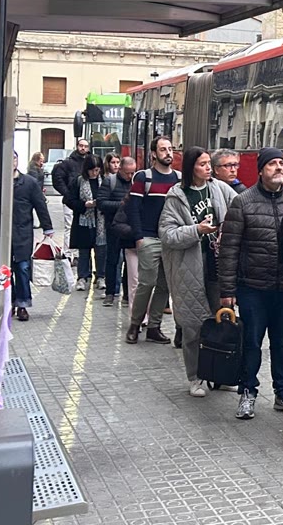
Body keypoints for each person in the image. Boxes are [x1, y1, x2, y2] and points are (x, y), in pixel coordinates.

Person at [217, 147, 283, 419]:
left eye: (281, 163)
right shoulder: (243, 202)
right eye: (272, 164)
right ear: (261, 170)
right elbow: (229, 249)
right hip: (252, 288)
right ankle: (247, 393)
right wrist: (227, 291)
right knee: (251, 343)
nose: (279, 168)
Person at [159, 147, 237, 397]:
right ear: (191, 167)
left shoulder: (219, 189)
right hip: (189, 267)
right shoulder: (177, 195)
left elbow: (240, 209)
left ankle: (221, 375)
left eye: (209, 164)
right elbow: (167, 235)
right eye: (202, 164)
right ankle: (195, 377)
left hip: (217, 264)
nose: (208, 168)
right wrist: (196, 230)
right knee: (193, 326)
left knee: (222, 320)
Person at [125, 137, 180, 345]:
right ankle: (135, 324)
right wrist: (139, 237)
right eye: (163, 149)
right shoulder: (143, 177)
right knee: (146, 283)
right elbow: (133, 209)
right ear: (154, 154)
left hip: (170, 239)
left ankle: (154, 328)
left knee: (165, 286)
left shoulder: (179, 179)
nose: (168, 153)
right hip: (149, 238)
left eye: (170, 149)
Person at [11, 151, 54, 321]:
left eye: (14, 158)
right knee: (4, 270)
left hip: (22, 233)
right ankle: (9, 301)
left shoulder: (29, 183)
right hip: (2, 234)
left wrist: (47, 227)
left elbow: (40, 205)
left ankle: (22, 304)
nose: (11, 161)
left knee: (22, 268)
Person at [98, 156, 136, 307]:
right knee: (112, 260)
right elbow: (101, 203)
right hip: (113, 227)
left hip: (129, 228)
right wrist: (122, 205)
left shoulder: (136, 182)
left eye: (133, 173)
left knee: (129, 263)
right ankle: (110, 293)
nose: (130, 176)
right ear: (120, 169)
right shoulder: (110, 181)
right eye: (127, 173)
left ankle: (127, 294)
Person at [66, 154, 106, 292]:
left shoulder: (104, 181)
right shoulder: (78, 181)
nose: (95, 173)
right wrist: (84, 205)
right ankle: (82, 277)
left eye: (97, 170)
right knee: (84, 251)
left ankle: (101, 276)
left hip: (101, 222)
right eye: (92, 170)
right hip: (83, 222)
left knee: (101, 251)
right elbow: (69, 200)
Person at [52, 139, 90, 259]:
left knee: (83, 227)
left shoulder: (90, 162)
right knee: (69, 226)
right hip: (71, 200)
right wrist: (67, 194)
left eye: (85, 146)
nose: (83, 148)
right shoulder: (68, 163)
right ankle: (68, 253)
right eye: (81, 146)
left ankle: (78, 254)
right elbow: (58, 179)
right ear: (77, 146)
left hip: (85, 201)